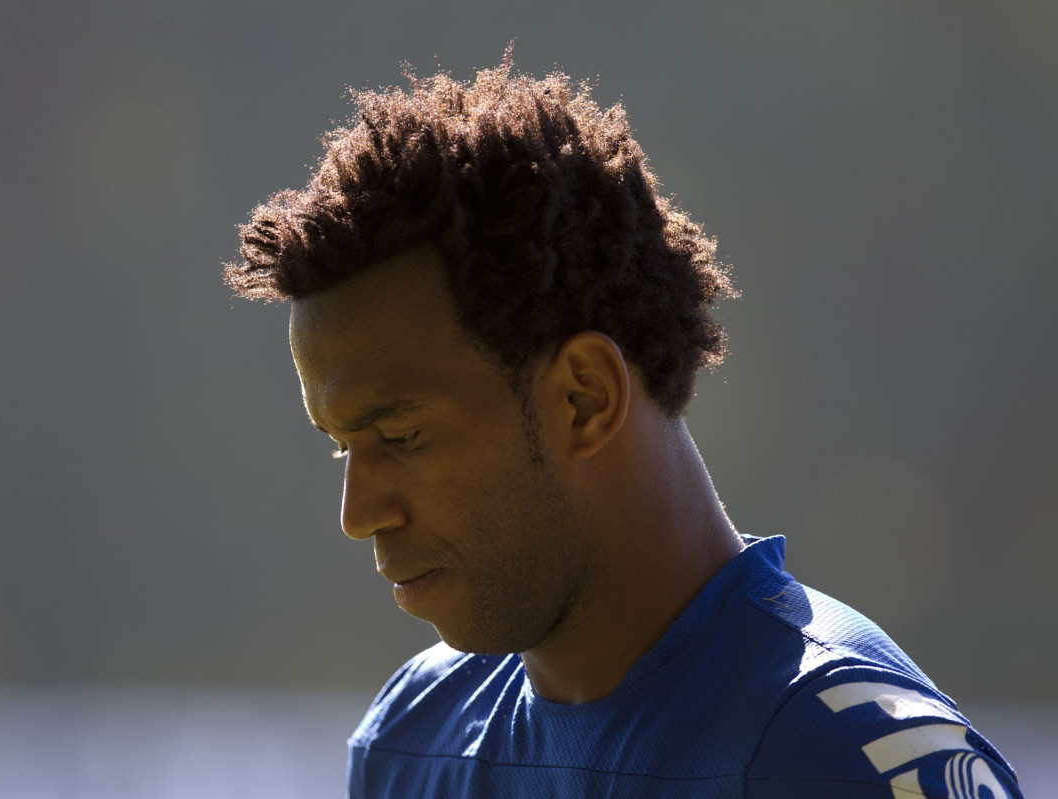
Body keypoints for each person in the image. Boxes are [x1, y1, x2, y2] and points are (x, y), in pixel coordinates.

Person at [224, 51, 1024, 798]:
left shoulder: (837, 755)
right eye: (342, 447)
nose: (358, 512)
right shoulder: (410, 741)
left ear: (585, 398)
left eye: (400, 436)